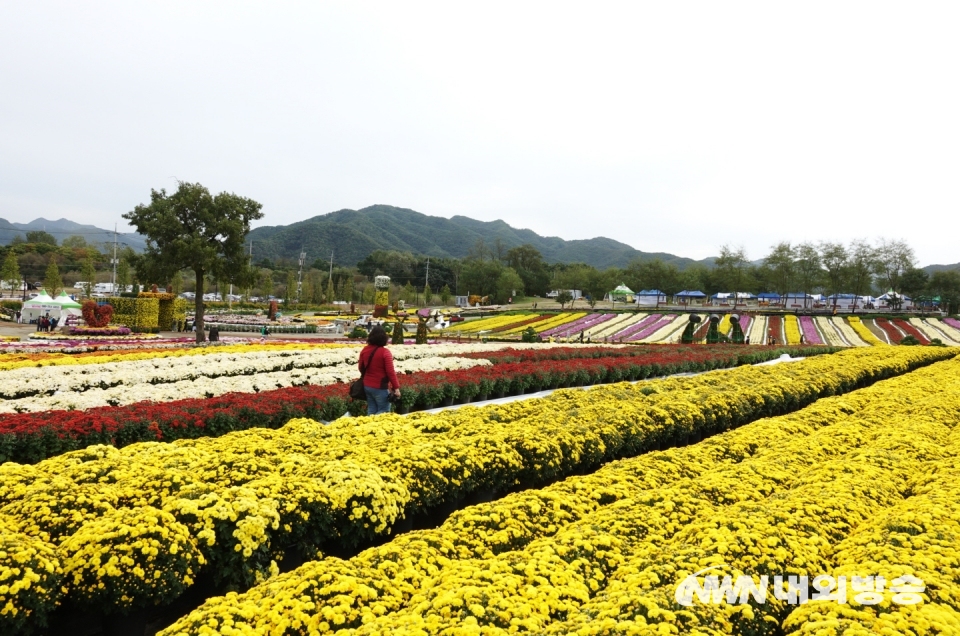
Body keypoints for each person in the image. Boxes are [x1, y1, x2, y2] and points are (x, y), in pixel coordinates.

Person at [359, 325, 401, 415]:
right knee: (384, 411)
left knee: (372, 409)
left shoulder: (365, 350)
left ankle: (369, 427)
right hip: (379, 386)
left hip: (367, 385)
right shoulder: (385, 352)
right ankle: (378, 428)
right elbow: (390, 372)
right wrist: (396, 387)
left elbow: (360, 367)